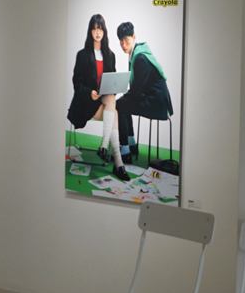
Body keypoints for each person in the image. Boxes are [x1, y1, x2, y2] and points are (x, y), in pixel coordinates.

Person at [67, 14, 130, 182]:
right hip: (86, 102)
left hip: (104, 99)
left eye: (100, 28)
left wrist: (112, 89)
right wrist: (89, 93)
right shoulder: (82, 55)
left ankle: (105, 147)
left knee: (111, 98)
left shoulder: (110, 55)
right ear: (90, 31)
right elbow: (77, 83)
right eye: (94, 29)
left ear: (104, 31)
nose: (97, 32)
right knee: (114, 114)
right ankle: (118, 163)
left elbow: (113, 82)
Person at [115, 22, 173, 163]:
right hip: (153, 99)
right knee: (123, 103)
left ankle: (125, 152)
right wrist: (127, 96)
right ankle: (131, 145)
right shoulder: (137, 53)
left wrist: (125, 96)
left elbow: (137, 91)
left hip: (157, 104)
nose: (123, 44)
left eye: (126, 40)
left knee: (120, 105)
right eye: (121, 41)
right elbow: (137, 89)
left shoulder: (140, 58)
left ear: (134, 37)